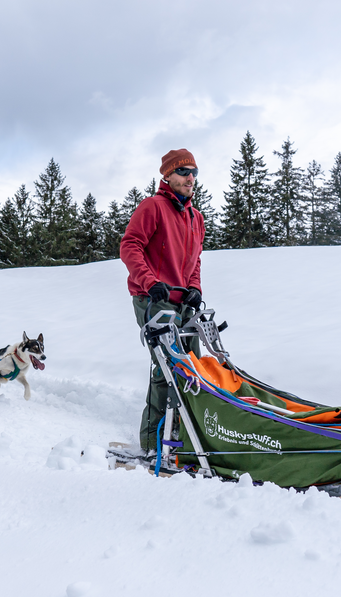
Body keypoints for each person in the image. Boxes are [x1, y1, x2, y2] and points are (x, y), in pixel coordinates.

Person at [119, 148, 206, 455]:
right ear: (167, 175)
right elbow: (130, 246)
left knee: (194, 369)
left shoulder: (197, 218)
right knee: (168, 369)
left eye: (194, 172)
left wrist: (194, 288)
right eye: (184, 172)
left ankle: (190, 440)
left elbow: (194, 261)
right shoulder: (153, 207)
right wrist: (150, 282)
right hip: (153, 299)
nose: (190, 178)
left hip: (182, 303)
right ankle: (155, 444)